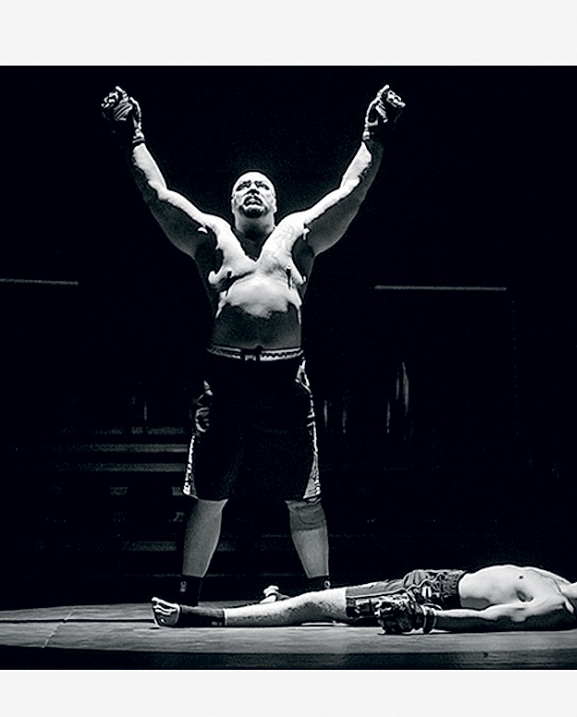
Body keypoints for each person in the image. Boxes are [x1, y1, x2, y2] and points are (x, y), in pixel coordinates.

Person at [100, 82, 406, 604]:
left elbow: (351, 193)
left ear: (276, 201)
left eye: (262, 184)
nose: (252, 189)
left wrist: (373, 135)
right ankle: (188, 594)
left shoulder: (297, 236)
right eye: (243, 185)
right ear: (231, 201)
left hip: (284, 381)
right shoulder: (213, 238)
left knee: (304, 495)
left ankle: (321, 593)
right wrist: (132, 136)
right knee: (208, 494)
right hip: (225, 381)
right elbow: (158, 196)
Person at [151, 565, 577, 633]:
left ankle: (204, 616)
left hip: (429, 593)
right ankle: (278, 601)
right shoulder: (561, 583)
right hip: (435, 579)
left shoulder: (555, 606)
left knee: (315, 605)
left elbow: (500, 618)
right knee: (329, 604)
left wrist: (426, 617)